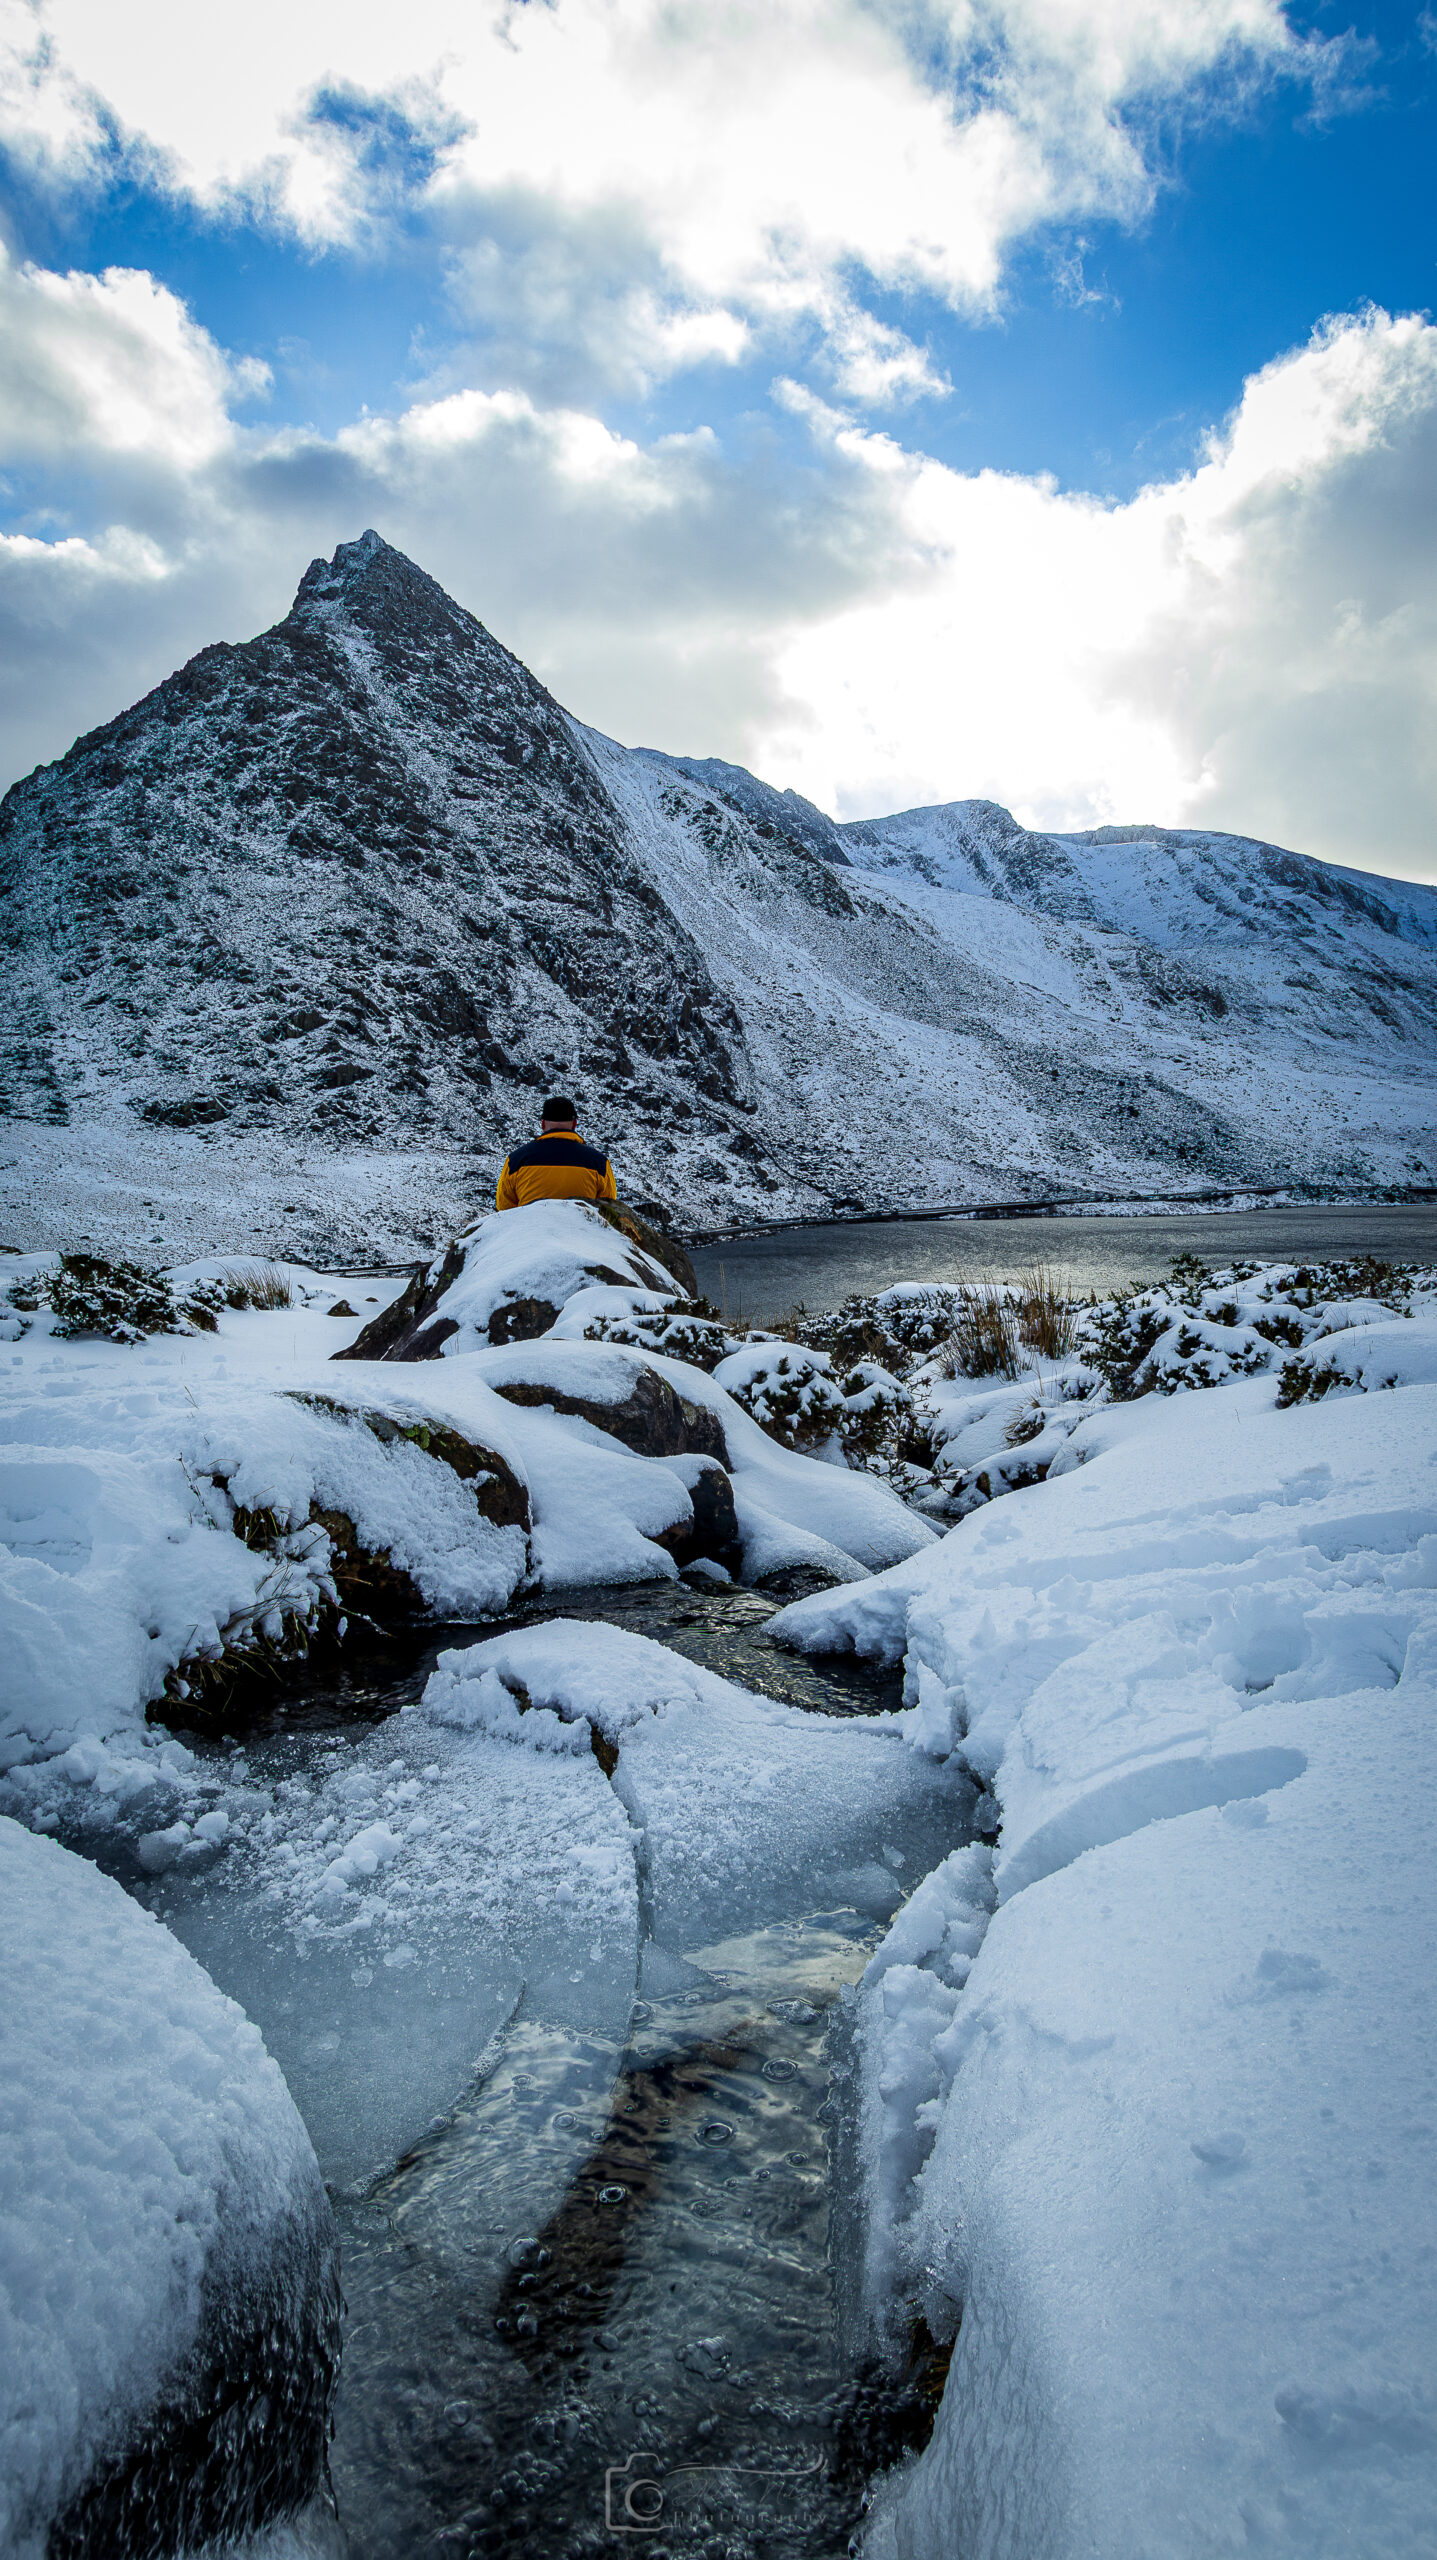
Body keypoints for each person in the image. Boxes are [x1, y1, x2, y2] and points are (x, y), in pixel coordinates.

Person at [495, 1096, 618, 1211]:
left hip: (531, 1231)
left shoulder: (516, 1160)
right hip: (580, 1232)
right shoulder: (599, 1162)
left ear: (543, 1123)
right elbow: (609, 1207)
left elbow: (504, 1207)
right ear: (574, 1124)